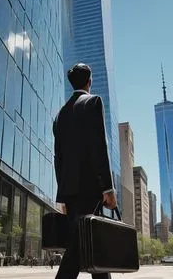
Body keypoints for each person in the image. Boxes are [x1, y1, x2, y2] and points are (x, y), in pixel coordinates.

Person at [53, 63, 117, 279]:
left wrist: (62, 197)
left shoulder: (60, 115)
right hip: (90, 188)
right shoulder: (93, 102)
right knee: (80, 245)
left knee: (93, 242)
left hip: (69, 191)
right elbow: (99, 146)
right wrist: (107, 187)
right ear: (89, 81)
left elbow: (58, 159)